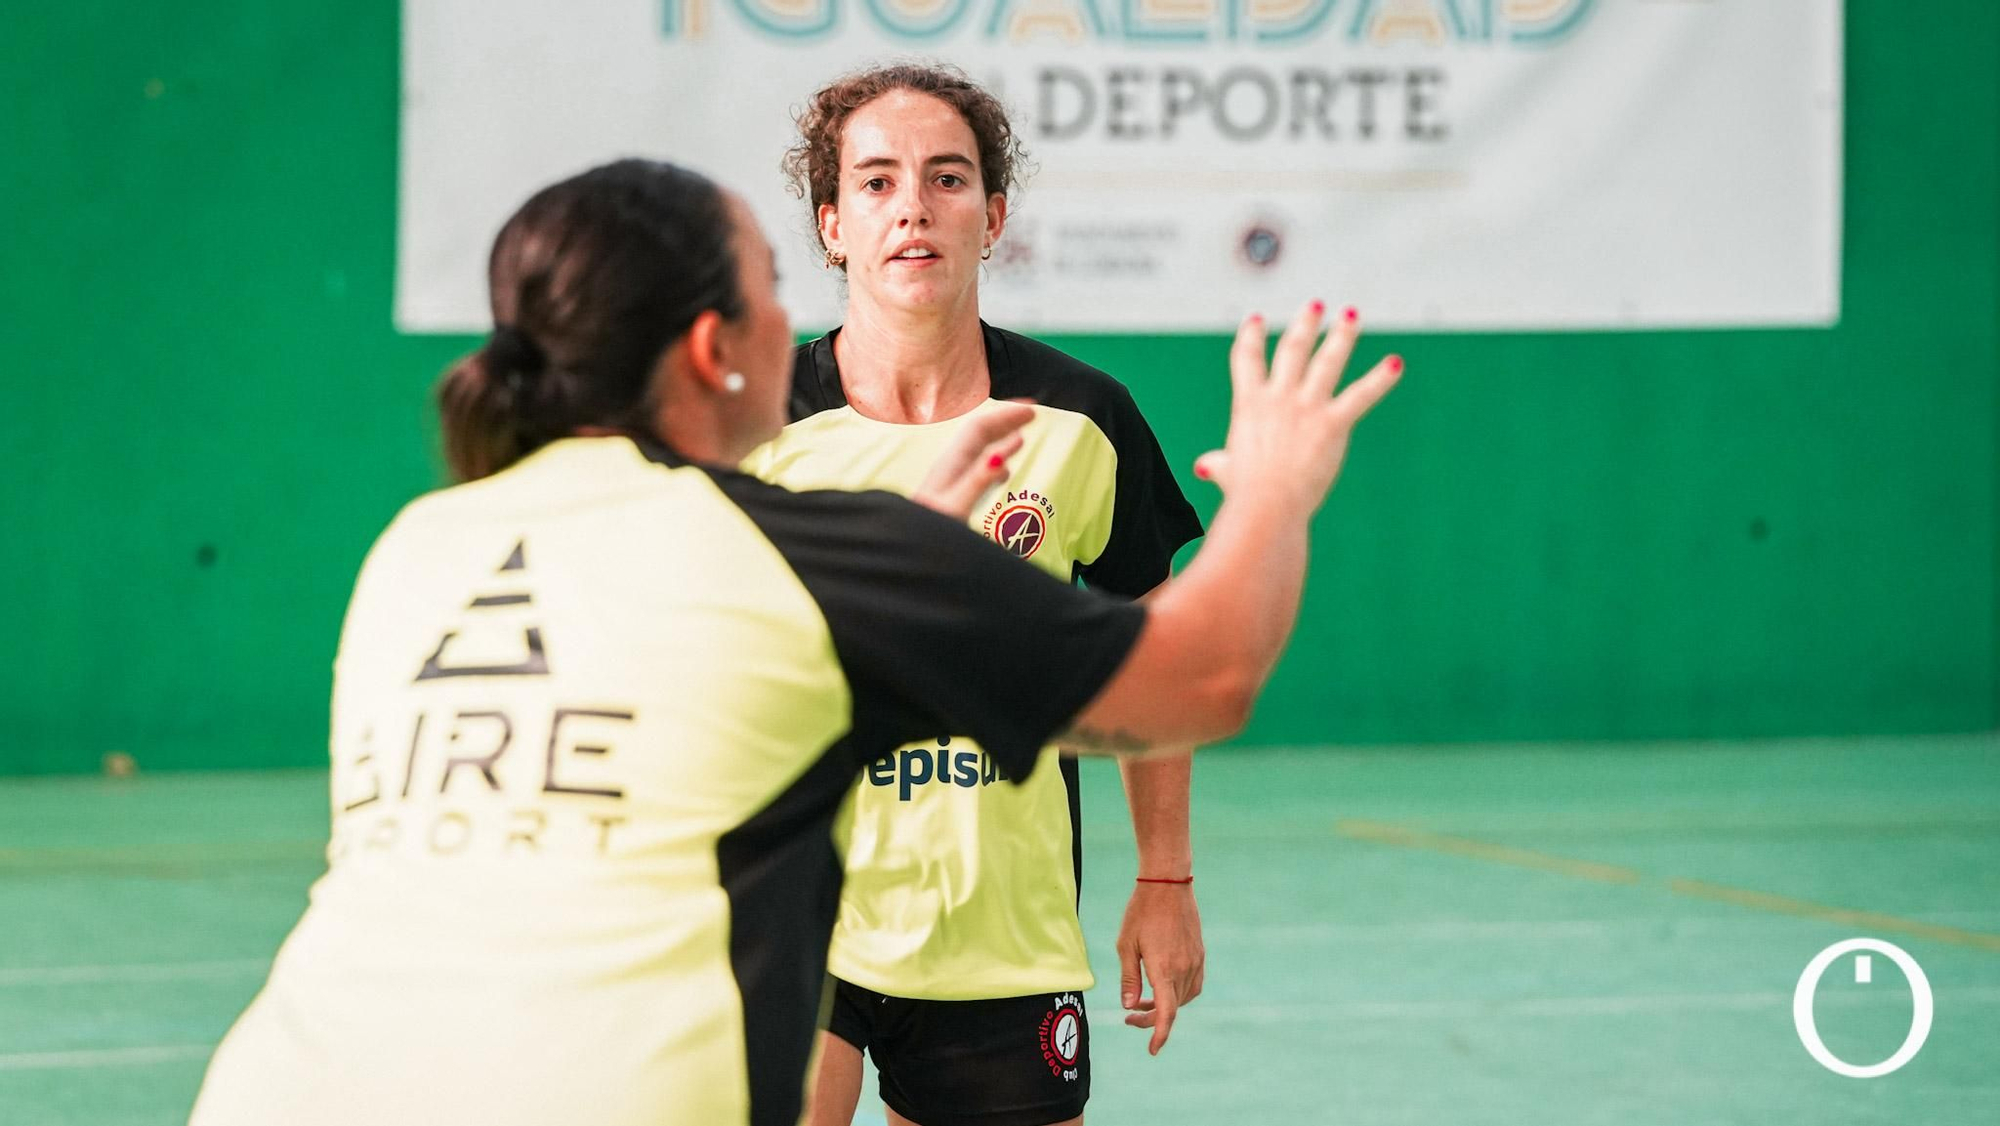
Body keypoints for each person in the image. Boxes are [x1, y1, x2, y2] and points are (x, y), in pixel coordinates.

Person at [187, 158, 1402, 1126]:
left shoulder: (421, 545)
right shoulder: (791, 558)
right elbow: (1206, 673)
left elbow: (711, 699)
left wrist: (900, 583)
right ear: (717, 349)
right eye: (770, 278)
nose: (792, 312)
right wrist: (1274, 495)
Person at [750, 64, 1227, 1126]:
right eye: (874, 183)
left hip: (1000, 930)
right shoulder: (756, 427)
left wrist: (1164, 878)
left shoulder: (1080, 420)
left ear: (993, 215)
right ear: (831, 225)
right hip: (794, 910)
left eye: (946, 177)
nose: (911, 203)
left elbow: (1151, 664)